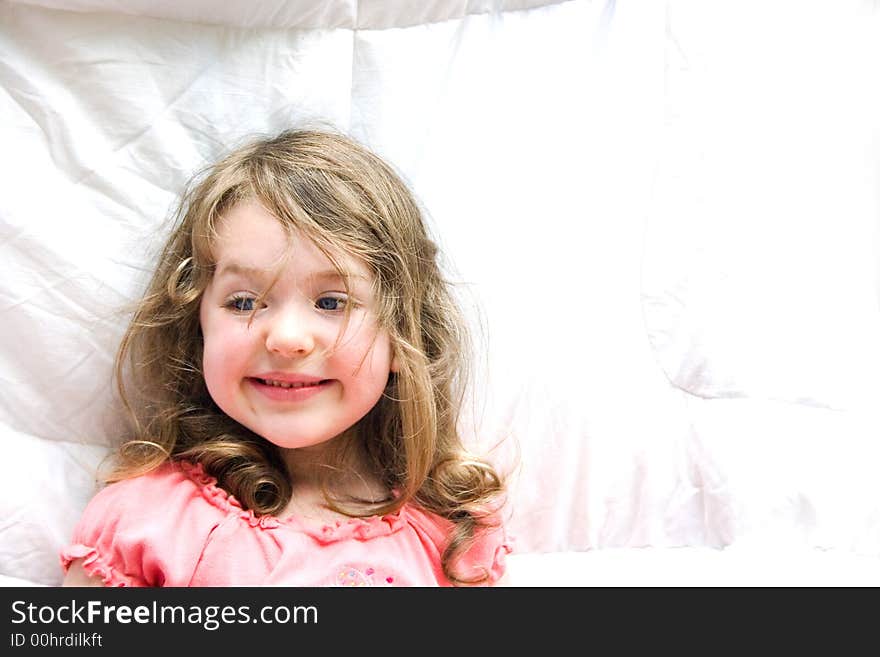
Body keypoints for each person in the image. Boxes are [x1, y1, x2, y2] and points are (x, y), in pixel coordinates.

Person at [60, 129, 510, 586]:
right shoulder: (149, 525)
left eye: (332, 303)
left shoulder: (450, 536)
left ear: (401, 335)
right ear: (198, 330)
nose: (288, 339)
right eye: (243, 302)